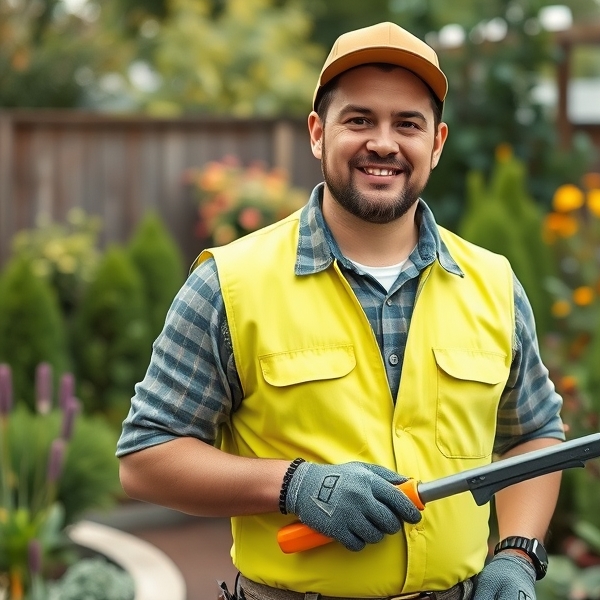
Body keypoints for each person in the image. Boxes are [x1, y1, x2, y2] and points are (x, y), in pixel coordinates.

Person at [117, 21, 565, 600]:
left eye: (408, 124)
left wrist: (518, 554)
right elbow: (146, 458)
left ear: (436, 143)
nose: (384, 143)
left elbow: (535, 435)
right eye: (359, 120)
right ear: (317, 133)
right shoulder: (230, 284)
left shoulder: (493, 284)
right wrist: (294, 485)